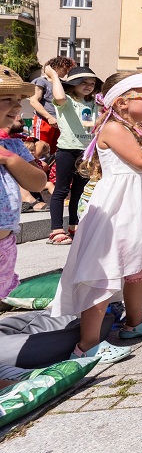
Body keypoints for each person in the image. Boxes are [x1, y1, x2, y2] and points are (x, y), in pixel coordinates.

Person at [52, 71, 142, 364]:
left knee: (138, 265)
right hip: (120, 208)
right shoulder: (114, 130)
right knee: (105, 270)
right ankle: (88, 344)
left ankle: (135, 322)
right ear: (120, 103)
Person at [0, 66, 48, 302]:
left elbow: (39, 182)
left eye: (18, 99)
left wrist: (8, 158)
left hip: (4, 244)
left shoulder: (12, 146)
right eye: (8, 99)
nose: (18, 107)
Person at [44, 65, 101, 246]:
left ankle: (74, 225)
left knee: (79, 191)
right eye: (83, 82)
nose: (88, 86)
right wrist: (54, 76)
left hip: (86, 152)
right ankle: (56, 230)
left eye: (92, 83)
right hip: (67, 150)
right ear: (72, 84)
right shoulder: (66, 100)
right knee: (61, 189)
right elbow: (59, 96)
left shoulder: (93, 103)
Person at [28, 56, 75, 151]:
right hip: (44, 120)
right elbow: (34, 101)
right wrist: (49, 117)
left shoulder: (62, 84)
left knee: (54, 150)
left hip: (59, 122)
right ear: (57, 67)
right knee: (40, 148)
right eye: (65, 68)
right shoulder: (41, 81)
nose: (67, 72)